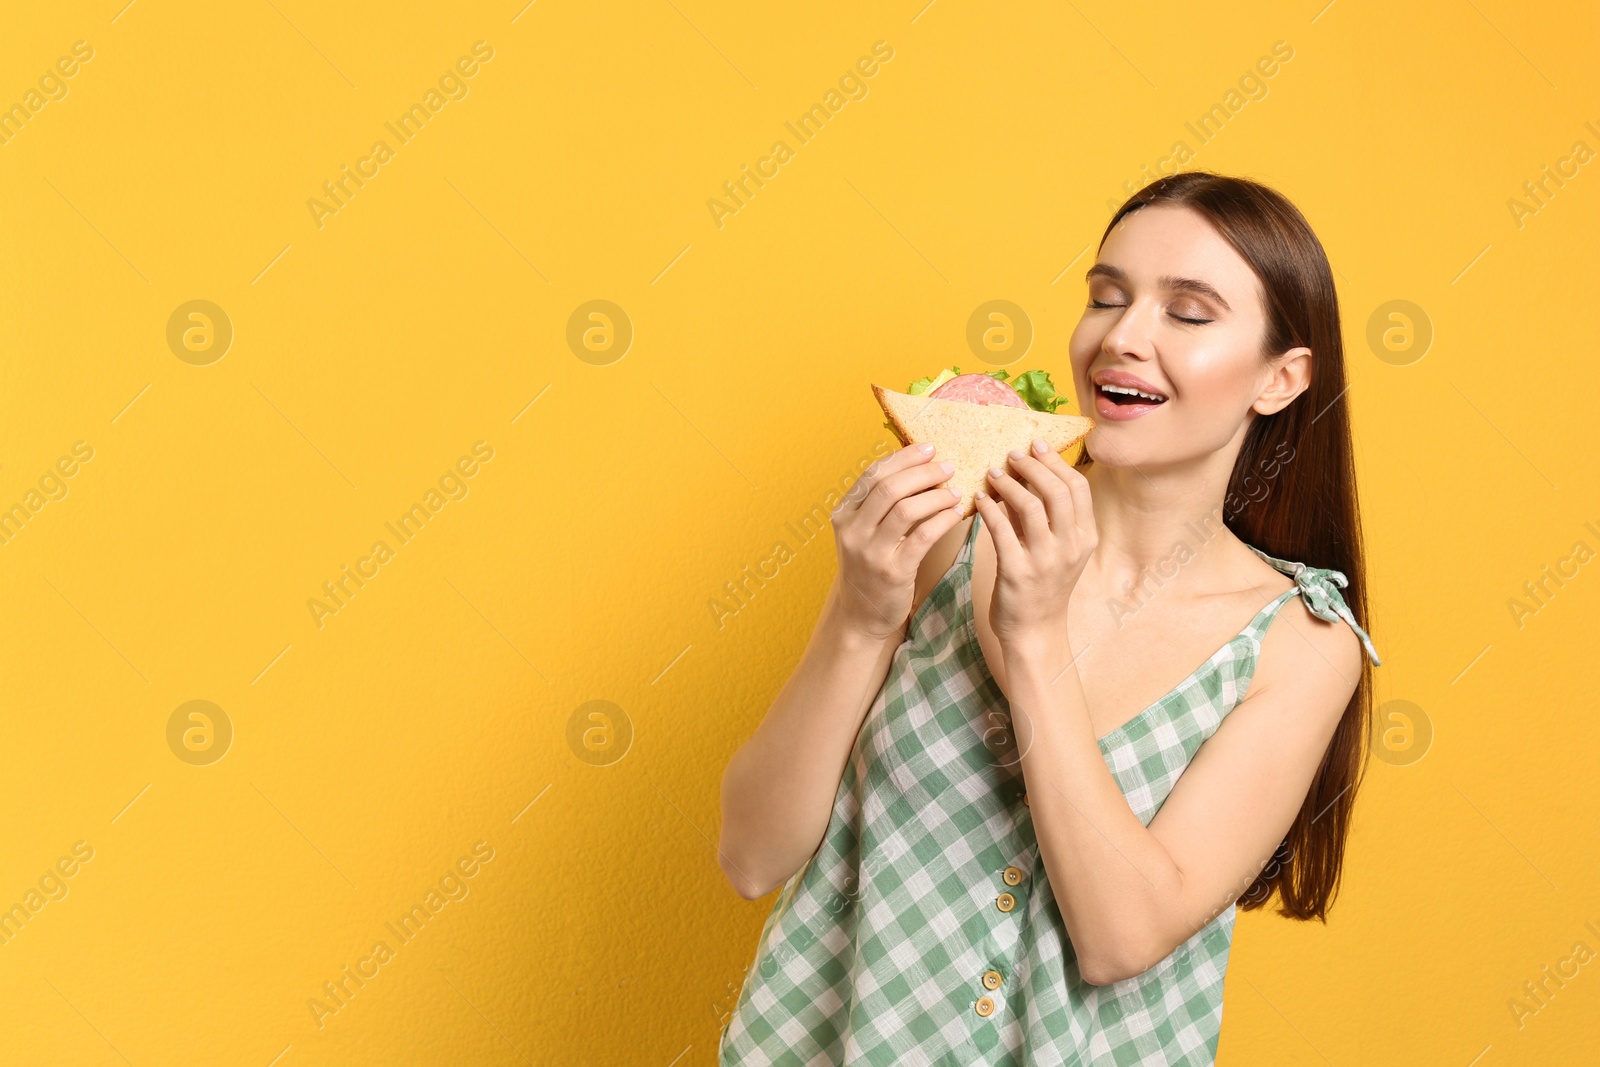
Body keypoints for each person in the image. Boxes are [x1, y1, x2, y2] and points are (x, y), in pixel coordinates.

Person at [716, 171, 1382, 1066]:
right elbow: (752, 856)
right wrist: (861, 614)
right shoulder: (948, 539)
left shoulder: (1301, 641)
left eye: (1187, 313)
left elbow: (1120, 936)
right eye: (1106, 297)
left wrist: (1033, 639)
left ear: (1280, 376)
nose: (1122, 338)